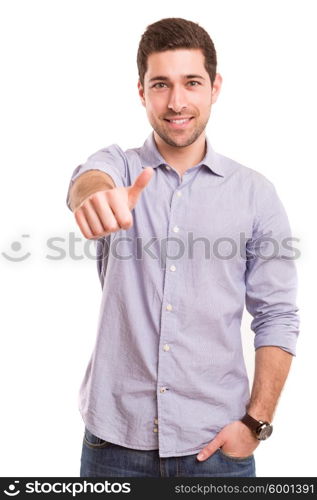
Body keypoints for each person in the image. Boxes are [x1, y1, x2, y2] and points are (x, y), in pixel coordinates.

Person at [66, 17, 299, 478]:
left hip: (215, 450)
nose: (177, 102)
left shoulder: (256, 193)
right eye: (161, 84)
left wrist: (256, 423)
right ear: (141, 92)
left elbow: (277, 315)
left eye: (191, 83)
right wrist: (94, 195)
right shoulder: (119, 166)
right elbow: (88, 179)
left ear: (214, 87)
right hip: (114, 445)